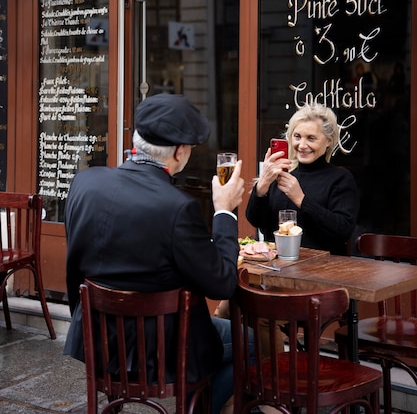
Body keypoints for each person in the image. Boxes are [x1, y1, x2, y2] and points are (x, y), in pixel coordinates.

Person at [64, 93, 245, 414]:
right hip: (160, 347)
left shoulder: (84, 181)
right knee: (254, 343)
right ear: (180, 152)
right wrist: (224, 211)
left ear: (138, 139)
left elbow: (75, 266)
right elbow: (222, 284)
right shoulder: (177, 208)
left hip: (95, 337)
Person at [246, 102, 359, 255]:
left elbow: (343, 229)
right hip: (275, 266)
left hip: (322, 270)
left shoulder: (340, 178)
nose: (302, 145)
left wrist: (301, 200)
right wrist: (262, 186)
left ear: (328, 141)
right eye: (297, 136)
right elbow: (256, 220)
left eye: (311, 138)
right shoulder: (280, 173)